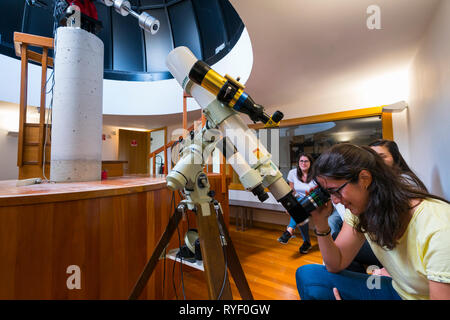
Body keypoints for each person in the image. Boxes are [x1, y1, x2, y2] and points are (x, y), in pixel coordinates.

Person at [296, 143, 450, 300]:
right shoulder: (362, 210)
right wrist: (321, 222)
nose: (335, 201)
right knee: (309, 276)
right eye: (329, 193)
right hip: (398, 289)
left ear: (364, 179)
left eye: (336, 191)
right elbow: (336, 264)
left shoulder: (439, 228)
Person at [278, 153, 316, 254]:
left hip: (314, 201)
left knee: (299, 208)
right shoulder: (293, 173)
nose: (303, 163)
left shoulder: (316, 174)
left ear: (311, 163)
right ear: (298, 163)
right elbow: (292, 192)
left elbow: (317, 192)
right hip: (299, 202)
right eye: (301, 161)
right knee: (300, 211)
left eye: (306, 161)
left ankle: (290, 230)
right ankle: (306, 242)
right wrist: (289, 207)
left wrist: (293, 208)